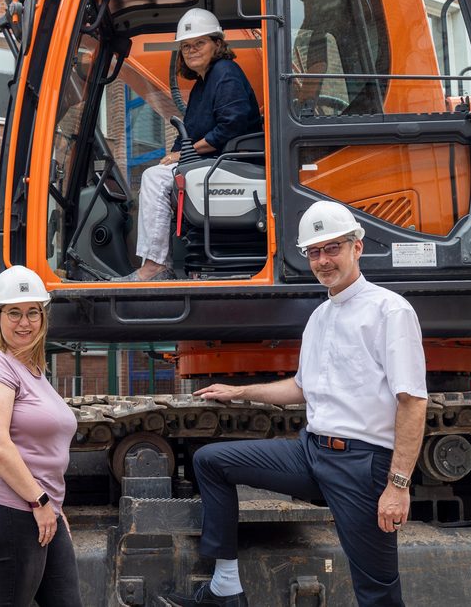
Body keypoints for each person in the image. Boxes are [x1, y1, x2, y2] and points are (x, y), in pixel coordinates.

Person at [164, 200, 429, 607]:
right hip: (311, 452)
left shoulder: (389, 311)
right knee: (211, 461)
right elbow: (303, 390)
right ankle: (225, 588)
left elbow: (412, 402)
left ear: (357, 247)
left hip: (361, 465)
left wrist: (398, 486)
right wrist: (239, 392)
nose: (323, 260)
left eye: (333, 248)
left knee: (377, 590)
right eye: (314, 252)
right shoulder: (320, 316)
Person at [0, 265, 82, 606]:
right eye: (14, 312)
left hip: (41, 507)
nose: (24, 322)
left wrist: (54, 507)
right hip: (9, 507)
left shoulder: (32, 369)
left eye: (33, 312)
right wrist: (40, 501)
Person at [116, 8, 261, 281]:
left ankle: (156, 265)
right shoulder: (202, 86)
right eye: (185, 47)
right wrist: (175, 153)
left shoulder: (225, 73)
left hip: (235, 163)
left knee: (154, 179)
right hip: (215, 163)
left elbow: (233, 125)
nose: (191, 50)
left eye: (199, 43)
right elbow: (190, 131)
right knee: (159, 173)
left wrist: (186, 153)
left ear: (217, 44)